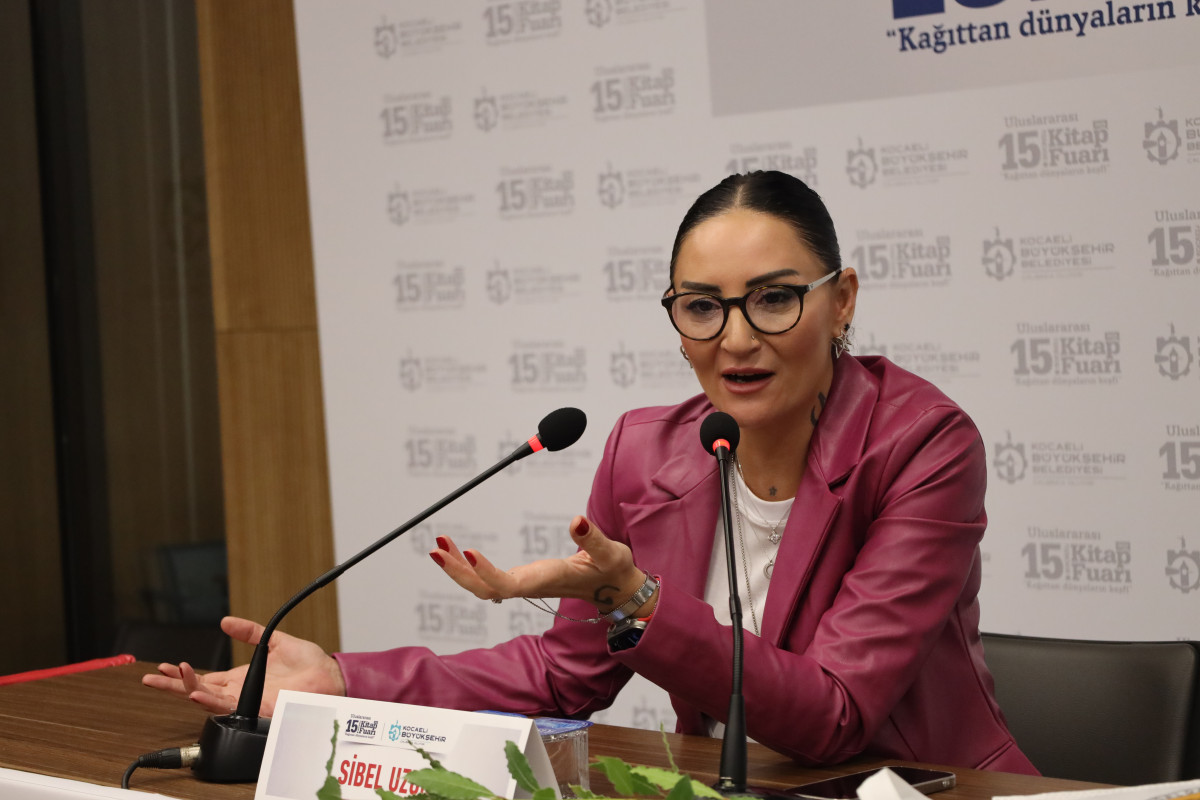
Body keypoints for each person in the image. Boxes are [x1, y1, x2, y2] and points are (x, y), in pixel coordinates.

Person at [145, 171, 1037, 773]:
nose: (735, 338)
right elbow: (562, 674)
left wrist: (639, 601)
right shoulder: (646, 453)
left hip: (928, 789)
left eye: (773, 298)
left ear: (840, 300)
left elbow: (835, 717)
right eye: (702, 307)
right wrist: (343, 681)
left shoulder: (923, 446)